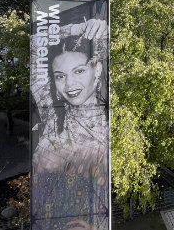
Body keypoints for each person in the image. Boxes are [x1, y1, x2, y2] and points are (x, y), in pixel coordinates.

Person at [31, 18, 109, 230]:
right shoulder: (52, 113)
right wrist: (77, 29)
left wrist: (101, 31)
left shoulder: (107, 124)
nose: (69, 84)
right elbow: (35, 41)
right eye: (60, 76)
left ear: (97, 70)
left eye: (79, 71)